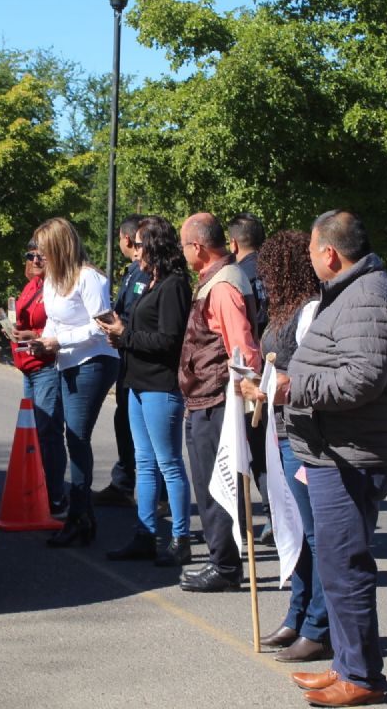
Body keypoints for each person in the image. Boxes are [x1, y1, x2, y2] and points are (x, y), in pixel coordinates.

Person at [285, 210, 387, 706]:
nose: (311, 261)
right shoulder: (352, 292)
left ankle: (360, 676)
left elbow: (363, 378)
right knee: (336, 566)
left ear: (330, 253)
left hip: (351, 453)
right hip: (332, 449)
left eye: (313, 252)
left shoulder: (369, 295)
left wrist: (290, 388)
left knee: (345, 566)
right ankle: (345, 663)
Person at [240, 230, 333, 663]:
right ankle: (298, 613)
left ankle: (319, 625)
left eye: (269, 272)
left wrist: (268, 386)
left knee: (314, 535)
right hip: (280, 433)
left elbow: (306, 371)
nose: (263, 281)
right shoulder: (282, 313)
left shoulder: (310, 310)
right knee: (291, 530)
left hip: (302, 436)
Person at [96, 215, 193, 564]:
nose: (134, 251)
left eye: (138, 244)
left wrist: (127, 336)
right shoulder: (148, 282)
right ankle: (145, 533)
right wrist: (120, 334)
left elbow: (170, 340)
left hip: (160, 385)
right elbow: (140, 332)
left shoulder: (174, 285)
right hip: (136, 382)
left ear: (153, 245)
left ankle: (180, 538)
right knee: (144, 462)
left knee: (168, 462)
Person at [176, 212, 262, 592]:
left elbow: (242, 347)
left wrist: (245, 392)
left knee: (216, 485)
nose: (183, 252)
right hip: (204, 398)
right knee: (209, 482)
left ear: (197, 246)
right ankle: (223, 561)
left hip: (216, 399)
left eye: (184, 245)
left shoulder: (223, 285)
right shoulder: (215, 279)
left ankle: (225, 565)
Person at [29, 217, 120, 547]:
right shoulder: (53, 279)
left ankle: (79, 515)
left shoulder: (89, 278)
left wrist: (59, 342)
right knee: (72, 436)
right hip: (67, 361)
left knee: (77, 436)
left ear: (58, 247)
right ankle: (83, 515)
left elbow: (103, 326)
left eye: (43, 251)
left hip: (93, 362)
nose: (39, 258)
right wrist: (41, 341)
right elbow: (54, 321)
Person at [94, 214, 151, 508]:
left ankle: (156, 492)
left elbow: (137, 314)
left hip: (140, 355)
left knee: (143, 428)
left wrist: (120, 327)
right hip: (125, 355)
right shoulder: (131, 272)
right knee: (123, 420)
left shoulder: (147, 274)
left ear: (125, 239)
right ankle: (124, 481)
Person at [9, 239, 69, 518]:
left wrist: (33, 335)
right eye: (30, 255)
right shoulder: (31, 286)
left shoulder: (55, 286)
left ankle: (55, 497)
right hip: (28, 367)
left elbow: (59, 324)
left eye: (41, 256)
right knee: (33, 433)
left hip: (46, 366)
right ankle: (37, 490)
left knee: (48, 432)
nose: (35, 260)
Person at [227, 211, 273, 543]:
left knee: (254, 447)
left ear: (232, 242)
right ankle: (275, 515)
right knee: (268, 447)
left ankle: (269, 516)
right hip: (276, 365)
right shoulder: (274, 270)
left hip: (252, 369)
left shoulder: (237, 276)